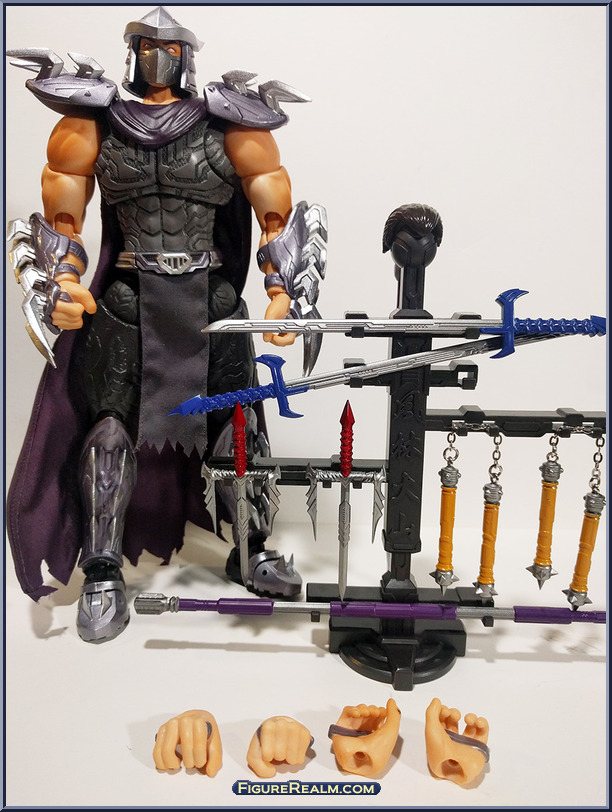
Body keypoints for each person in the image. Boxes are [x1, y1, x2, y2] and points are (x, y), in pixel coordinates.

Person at [6, 6, 326, 643]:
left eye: (170, 47)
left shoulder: (231, 119)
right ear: (131, 51)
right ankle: (103, 571)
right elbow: (63, 217)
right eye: (146, 45)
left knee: (237, 426)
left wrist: (283, 290)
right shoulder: (93, 120)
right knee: (107, 433)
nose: (158, 56)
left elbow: (274, 209)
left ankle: (252, 547)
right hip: (128, 296)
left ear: (189, 55)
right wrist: (61, 282)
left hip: (211, 299)